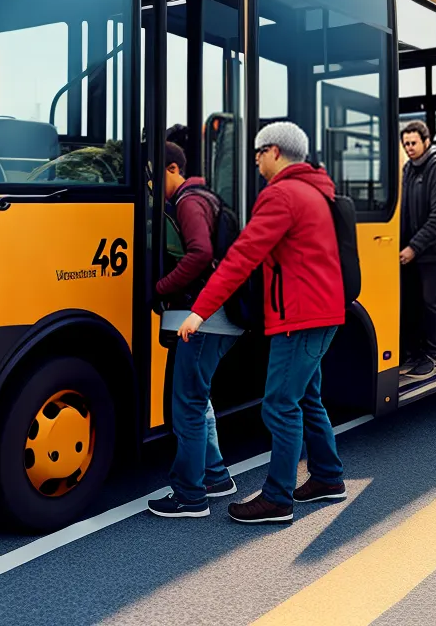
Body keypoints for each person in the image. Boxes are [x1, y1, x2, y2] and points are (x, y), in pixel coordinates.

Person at [177, 121, 346, 524]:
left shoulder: (283, 194)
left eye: (257, 152)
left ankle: (277, 499)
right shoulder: (315, 189)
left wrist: (200, 311)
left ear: (275, 152)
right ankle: (327, 476)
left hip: (300, 317)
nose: (254, 161)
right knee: (306, 398)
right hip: (323, 313)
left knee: (279, 406)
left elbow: (241, 257)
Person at [147, 142, 240, 518]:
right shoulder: (203, 196)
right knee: (199, 399)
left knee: (187, 404)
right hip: (221, 316)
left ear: (172, 168)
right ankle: (216, 476)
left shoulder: (187, 202)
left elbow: (199, 253)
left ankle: (189, 494)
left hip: (206, 318)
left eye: (154, 176)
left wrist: (160, 287)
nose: (151, 185)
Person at [399, 121, 436, 380]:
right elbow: (403, 212)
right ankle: (413, 355)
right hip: (411, 250)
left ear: (426, 140)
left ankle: (434, 356)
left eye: (413, 142)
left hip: (435, 252)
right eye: (406, 143)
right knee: (410, 303)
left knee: (432, 302)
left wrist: (413, 247)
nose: (409, 148)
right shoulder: (408, 169)